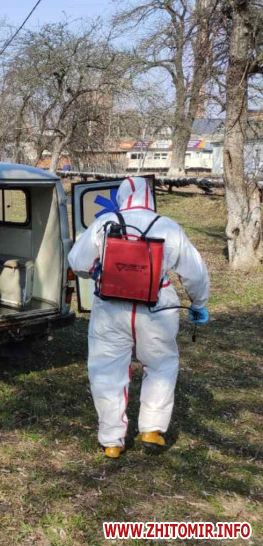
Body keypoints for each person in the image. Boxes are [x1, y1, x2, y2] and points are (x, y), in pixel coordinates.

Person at [68, 177, 210, 458]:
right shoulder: (168, 226)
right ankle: (152, 429)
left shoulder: (105, 222)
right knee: (161, 364)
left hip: (111, 306)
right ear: (150, 197)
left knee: (106, 370)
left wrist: (97, 271)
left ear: (122, 197)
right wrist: (199, 303)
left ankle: (112, 441)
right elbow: (195, 273)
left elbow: (77, 261)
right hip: (158, 308)